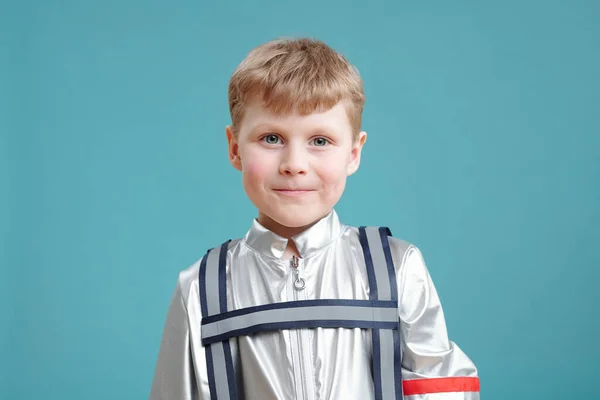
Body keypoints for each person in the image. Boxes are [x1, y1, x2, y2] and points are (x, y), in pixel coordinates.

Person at [149, 37, 480, 400]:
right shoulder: (200, 288)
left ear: (353, 153)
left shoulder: (397, 268)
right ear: (234, 148)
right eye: (271, 138)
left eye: (320, 141)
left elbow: (439, 390)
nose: (294, 165)